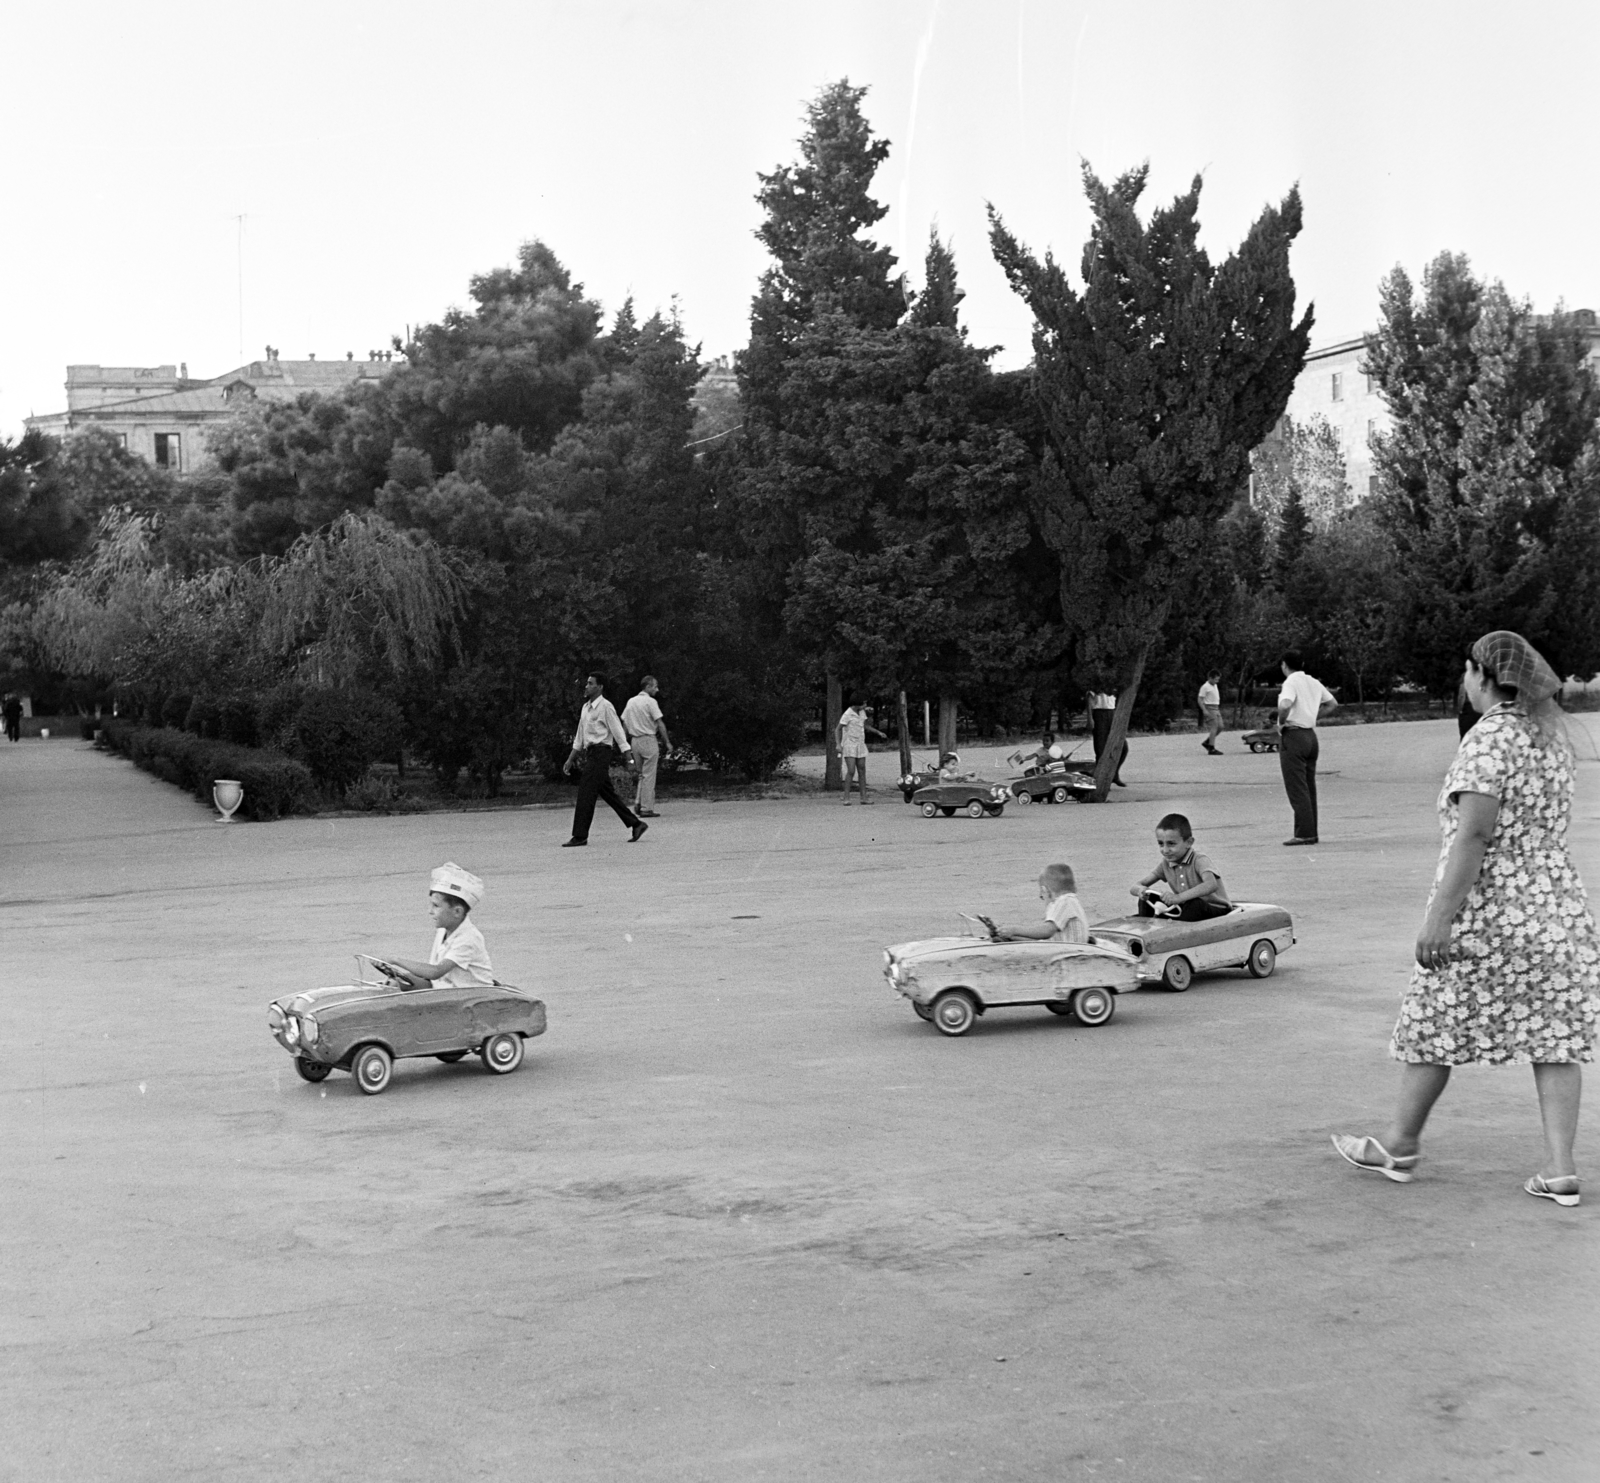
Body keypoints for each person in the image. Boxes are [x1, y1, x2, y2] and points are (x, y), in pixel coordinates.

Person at [1333, 631, 1600, 1207]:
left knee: (1433, 1022)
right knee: (1554, 1036)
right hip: (1554, 909)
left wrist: (1438, 919)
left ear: (1483, 675)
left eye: (1465, 672)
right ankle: (1560, 1169)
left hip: (1490, 911)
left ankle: (1400, 1145)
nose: (1464, 683)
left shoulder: (1490, 739)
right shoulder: (1549, 736)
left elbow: (1475, 835)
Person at [562, 672, 647, 848]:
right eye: (587, 683)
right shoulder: (585, 708)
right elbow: (580, 736)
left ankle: (580, 836)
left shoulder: (606, 707)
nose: (586, 686)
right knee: (607, 793)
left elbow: (618, 732)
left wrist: (629, 757)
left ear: (600, 687)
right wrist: (571, 759)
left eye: (590, 683)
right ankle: (636, 824)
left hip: (602, 753)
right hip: (591, 753)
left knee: (586, 792)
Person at [379, 863, 494, 990]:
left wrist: (396, 960)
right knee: (394, 983)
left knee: (398, 984)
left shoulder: (468, 938)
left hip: (473, 994)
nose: (430, 911)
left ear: (457, 912)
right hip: (445, 988)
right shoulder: (443, 931)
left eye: (436, 906)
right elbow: (431, 975)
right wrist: (395, 975)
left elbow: (436, 972)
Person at [1277, 650, 1337, 844]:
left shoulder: (1291, 682)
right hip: (1311, 736)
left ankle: (1303, 833)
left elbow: (1285, 705)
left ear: (1285, 665)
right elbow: (1332, 703)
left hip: (1293, 735)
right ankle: (1311, 831)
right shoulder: (1313, 681)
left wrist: (1281, 722)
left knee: (1297, 787)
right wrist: (1312, 716)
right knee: (1308, 785)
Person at [1129, 813, 1232, 921]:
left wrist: (1178, 897)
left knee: (1194, 903)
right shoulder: (1166, 863)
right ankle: (1146, 929)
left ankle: (1180, 933)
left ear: (1188, 842)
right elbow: (1135, 887)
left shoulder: (1199, 860)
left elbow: (1211, 885)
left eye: (1171, 844)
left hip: (1215, 909)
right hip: (1186, 908)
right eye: (1161, 844)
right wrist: (1141, 890)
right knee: (1148, 898)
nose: (1165, 850)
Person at [989, 863, 1090, 943]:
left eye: (1042, 894)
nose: (1041, 897)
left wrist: (1015, 930)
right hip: (1061, 944)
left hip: (1069, 949)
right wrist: (1012, 934)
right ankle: (1007, 937)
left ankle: (1010, 937)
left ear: (1046, 890)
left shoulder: (1065, 901)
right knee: (1015, 937)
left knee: (1017, 935)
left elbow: (1047, 931)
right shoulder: (1070, 902)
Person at [621, 675, 671, 819]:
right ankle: (646, 808)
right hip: (648, 739)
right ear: (647, 687)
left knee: (641, 774)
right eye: (655, 686)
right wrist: (667, 741)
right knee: (649, 775)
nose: (657, 689)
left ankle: (638, 802)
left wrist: (624, 743)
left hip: (635, 741)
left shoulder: (631, 702)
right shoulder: (650, 702)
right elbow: (659, 722)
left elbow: (625, 723)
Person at [836, 696, 884, 805]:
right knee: (851, 770)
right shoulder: (848, 714)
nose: (865, 706)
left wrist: (878, 732)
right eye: (863, 703)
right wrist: (838, 744)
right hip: (849, 744)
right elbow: (837, 729)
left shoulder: (861, 712)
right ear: (857, 703)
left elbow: (865, 725)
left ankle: (864, 797)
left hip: (860, 744)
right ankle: (846, 797)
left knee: (862, 770)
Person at [1088, 690, 1127, 786]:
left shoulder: (1114, 682)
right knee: (1100, 749)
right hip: (1099, 712)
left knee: (1123, 748)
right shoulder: (1097, 680)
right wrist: (1090, 718)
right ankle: (1100, 780)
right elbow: (1089, 698)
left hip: (1112, 712)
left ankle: (1114, 774)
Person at [1198, 672, 1224, 754]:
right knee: (1214, 727)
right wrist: (1204, 710)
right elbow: (1200, 699)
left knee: (1220, 727)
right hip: (1210, 708)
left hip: (1216, 708)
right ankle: (1211, 748)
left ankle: (1207, 742)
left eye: (1218, 679)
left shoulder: (1214, 685)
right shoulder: (1205, 687)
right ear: (1210, 678)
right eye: (1216, 679)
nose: (1217, 681)